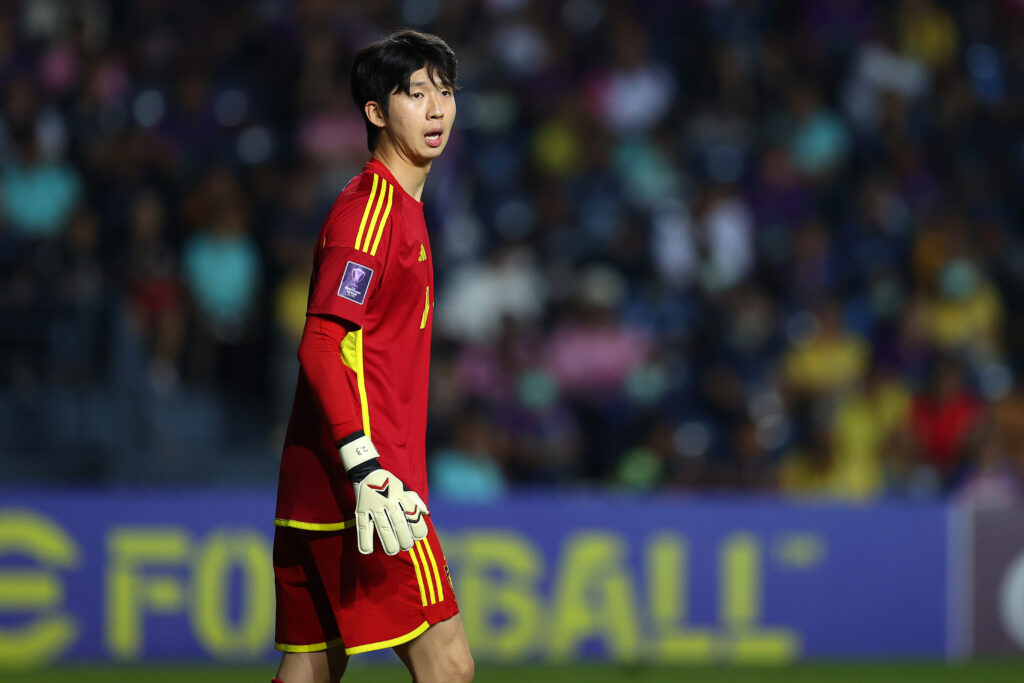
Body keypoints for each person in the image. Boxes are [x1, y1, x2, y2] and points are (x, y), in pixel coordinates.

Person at [271, 30, 473, 683]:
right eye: (416, 94)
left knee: (309, 672)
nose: (437, 108)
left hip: (319, 478)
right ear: (376, 112)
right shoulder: (374, 210)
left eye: (444, 92)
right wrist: (367, 468)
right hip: (373, 485)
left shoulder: (401, 209)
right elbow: (322, 341)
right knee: (449, 666)